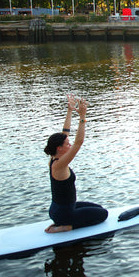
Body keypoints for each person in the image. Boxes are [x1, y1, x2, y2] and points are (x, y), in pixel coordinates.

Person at [44, 94, 107, 233]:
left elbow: (65, 133)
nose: (70, 144)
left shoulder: (53, 158)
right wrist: (82, 117)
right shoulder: (60, 164)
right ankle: (66, 227)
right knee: (103, 215)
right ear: (59, 148)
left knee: (99, 208)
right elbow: (79, 142)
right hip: (64, 214)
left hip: (59, 209)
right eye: (67, 144)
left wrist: (70, 110)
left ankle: (64, 221)